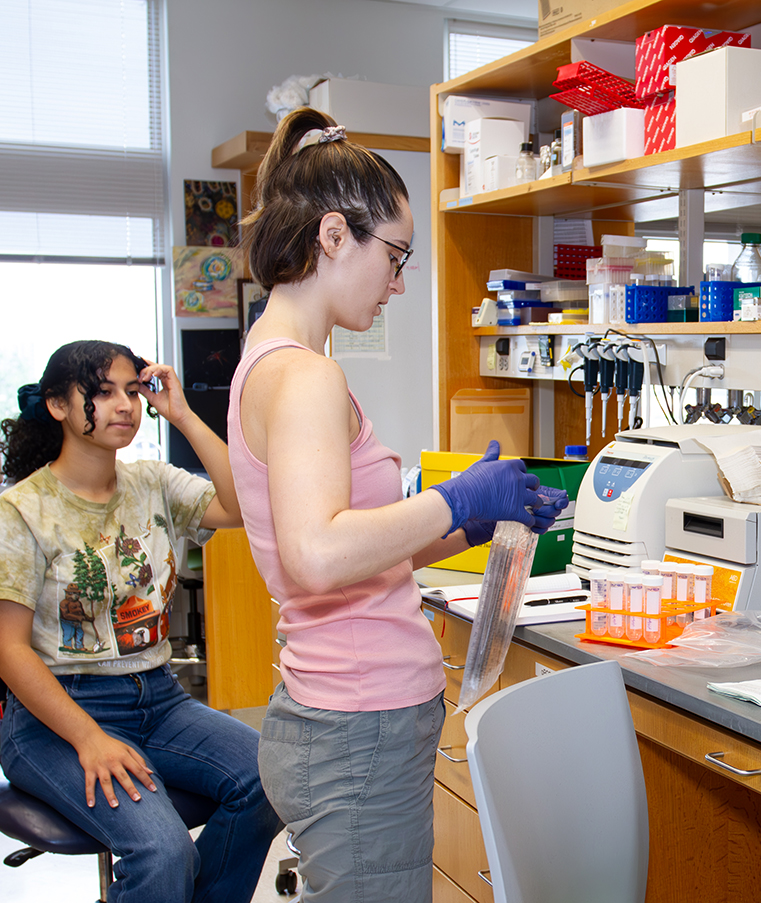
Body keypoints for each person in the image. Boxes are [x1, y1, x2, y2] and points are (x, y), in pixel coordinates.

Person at [230, 108, 568, 902]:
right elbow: (315, 554)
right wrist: (454, 495)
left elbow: (342, 553)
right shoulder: (305, 375)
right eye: (397, 256)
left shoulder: (272, 358)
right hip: (356, 724)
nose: (400, 282)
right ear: (334, 235)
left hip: (341, 714)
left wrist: (460, 521)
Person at [0, 340, 282, 903]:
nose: (124, 405)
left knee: (270, 781)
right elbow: (6, 650)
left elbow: (243, 506)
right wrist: (89, 738)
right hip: (58, 717)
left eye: (132, 391)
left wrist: (184, 414)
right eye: (101, 392)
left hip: (159, 700)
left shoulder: (152, 483)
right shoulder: (21, 510)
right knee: (164, 852)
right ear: (58, 406)